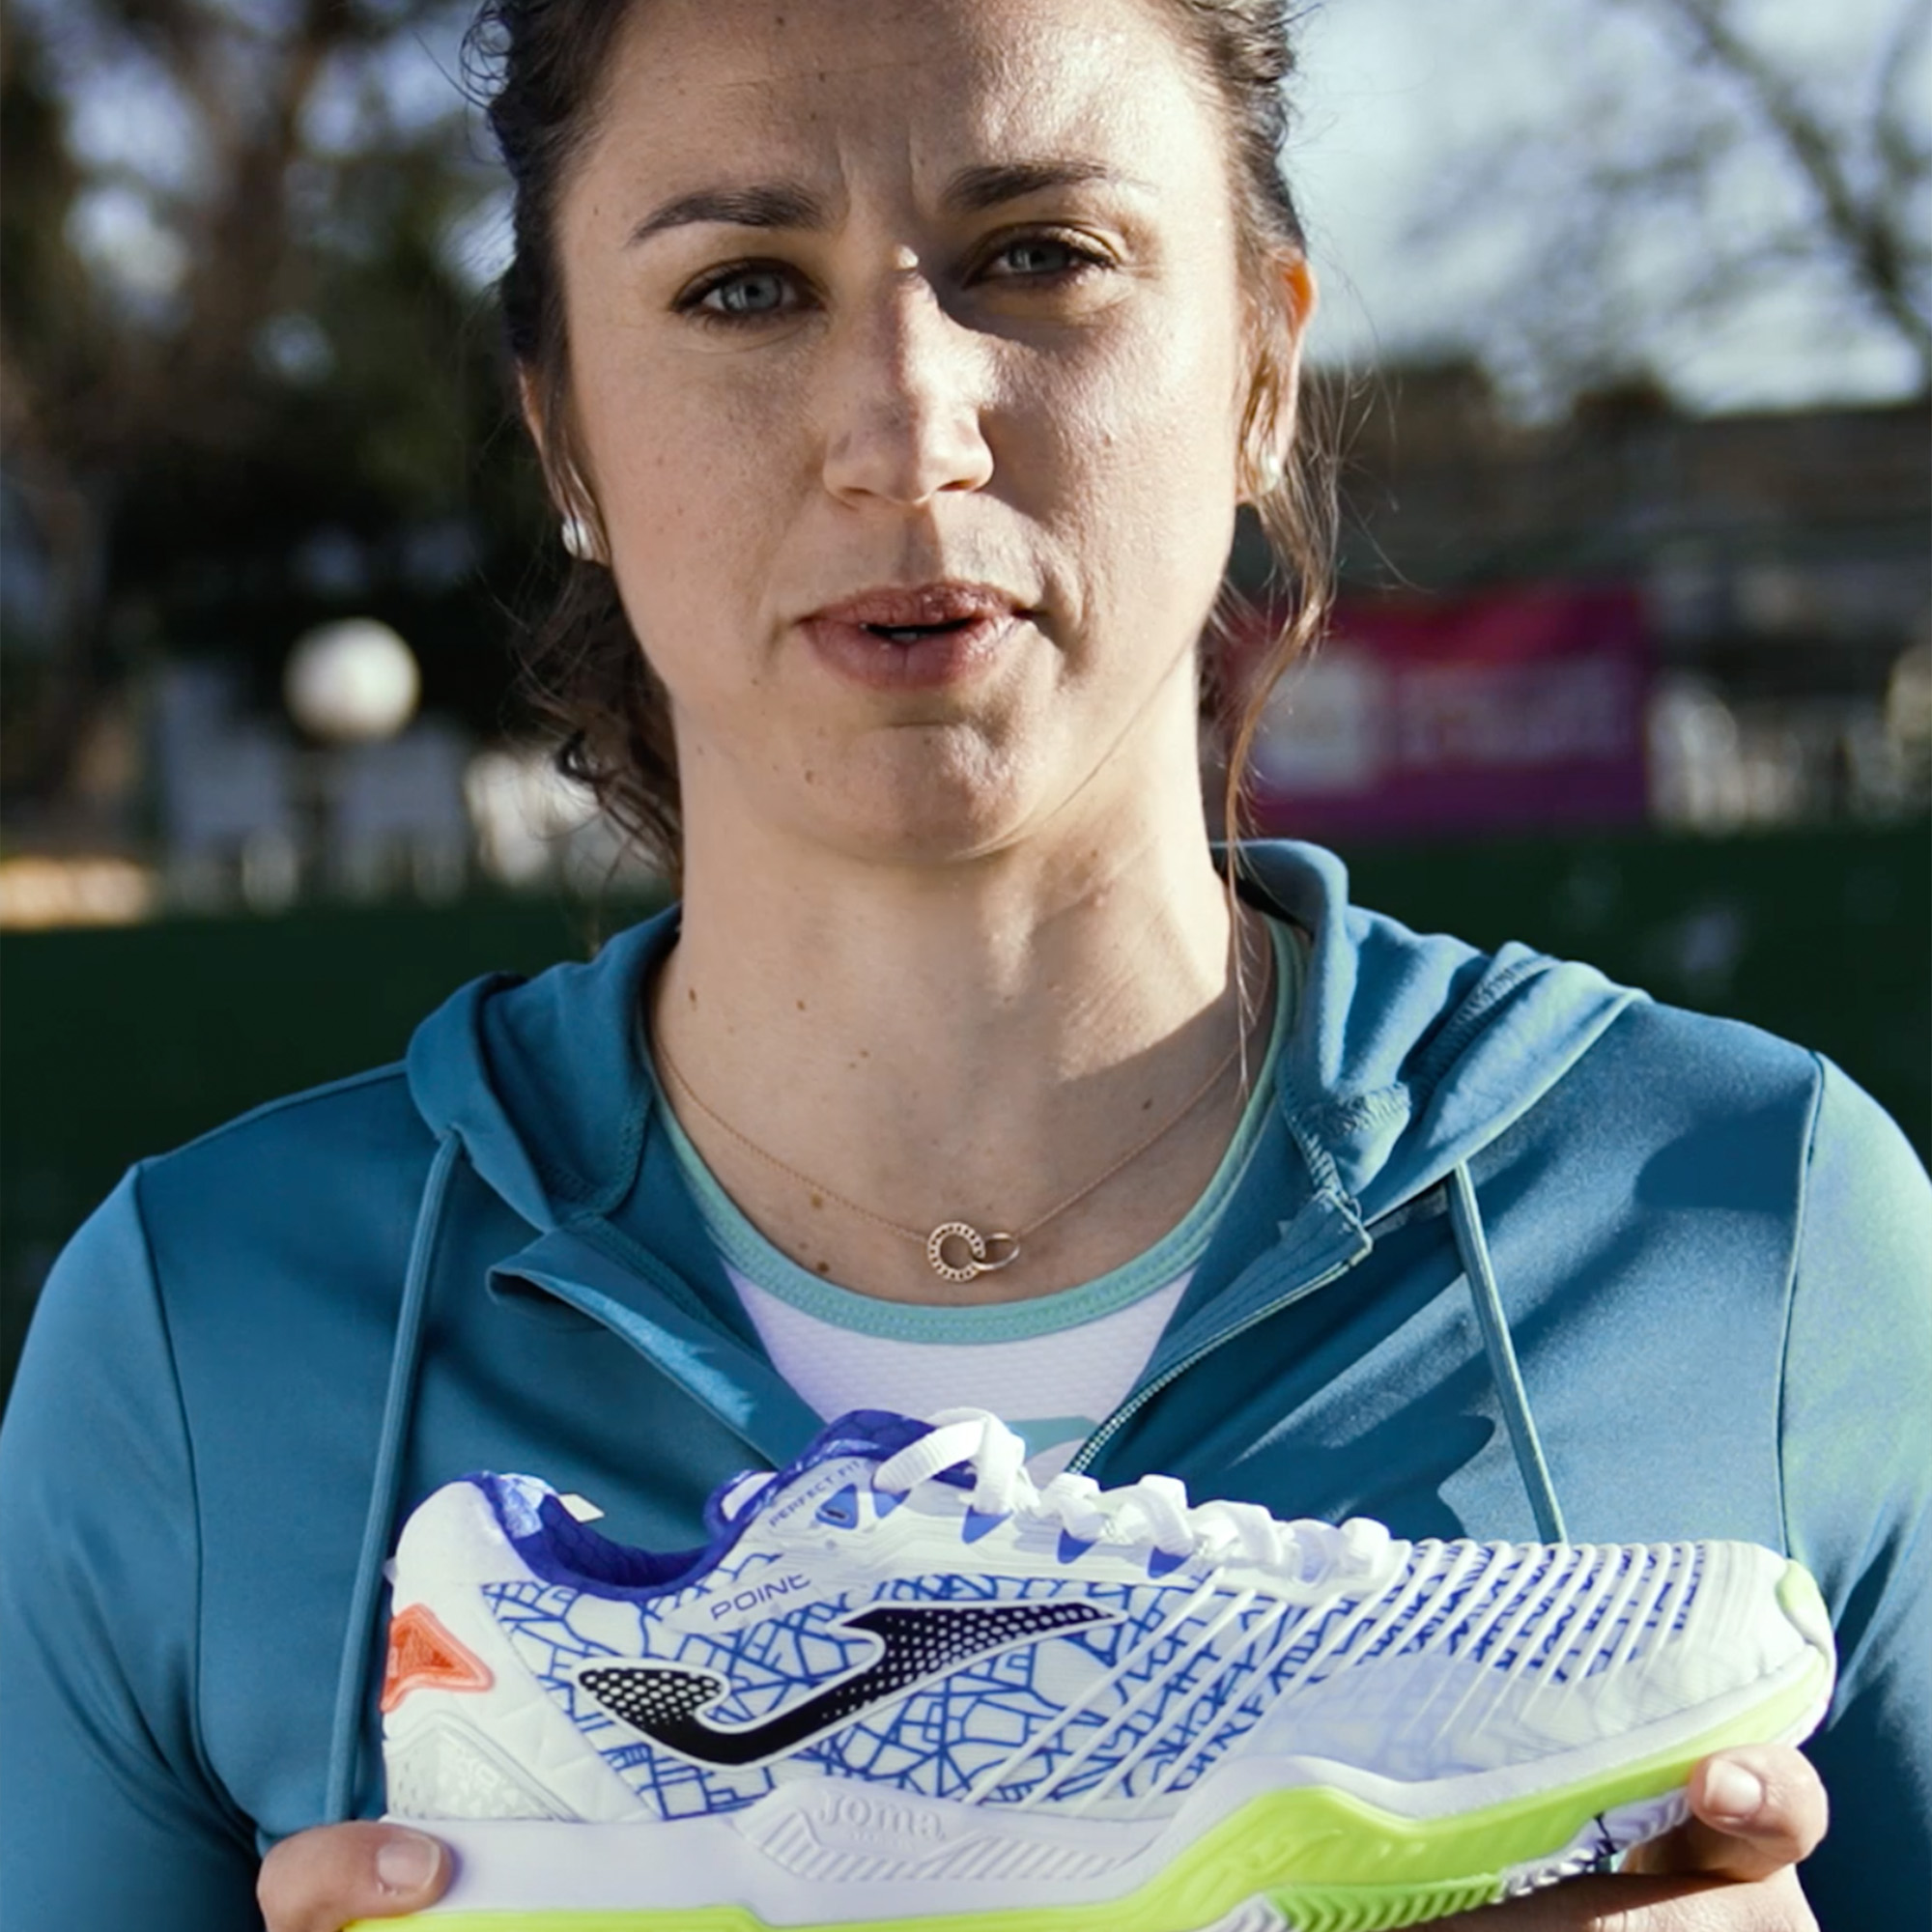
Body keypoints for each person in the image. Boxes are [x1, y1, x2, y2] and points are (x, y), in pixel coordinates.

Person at [1, 0, 1925, 1927]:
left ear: (1261, 367)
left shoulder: (1751, 1226)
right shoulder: (210, 1335)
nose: (907, 430)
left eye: (1040, 255)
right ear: (564, 432)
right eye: (746, 289)